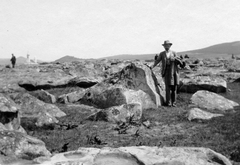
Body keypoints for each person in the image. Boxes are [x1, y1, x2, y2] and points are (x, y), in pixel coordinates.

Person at [151, 40, 184, 107]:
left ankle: (174, 103)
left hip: (174, 71)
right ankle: (168, 103)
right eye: (165, 45)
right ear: (164, 46)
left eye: (168, 45)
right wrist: (150, 66)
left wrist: (175, 59)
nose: (166, 46)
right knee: (167, 87)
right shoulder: (162, 54)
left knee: (174, 87)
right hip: (166, 72)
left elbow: (179, 62)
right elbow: (157, 61)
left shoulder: (174, 53)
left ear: (170, 45)